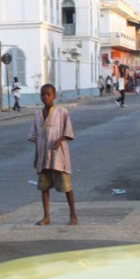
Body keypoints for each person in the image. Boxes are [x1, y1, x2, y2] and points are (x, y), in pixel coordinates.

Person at [29, 84, 78, 226]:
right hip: (43, 157)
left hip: (58, 156)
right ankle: (46, 217)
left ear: (54, 96)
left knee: (66, 187)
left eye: (48, 94)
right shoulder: (38, 114)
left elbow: (68, 132)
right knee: (44, 188)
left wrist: (60, 139)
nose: (45, 97)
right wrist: (36, 157)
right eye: (43, 94)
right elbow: (35, 137)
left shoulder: (62, 112)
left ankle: (73, 215)